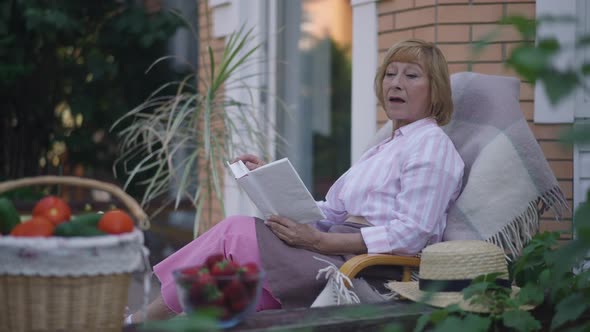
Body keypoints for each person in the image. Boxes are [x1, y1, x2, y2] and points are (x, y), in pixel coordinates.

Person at [126, 38, 465, 323]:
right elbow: (330, 212)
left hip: (367, 270)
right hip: (330, 250)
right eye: (390, 74)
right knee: (225, 288)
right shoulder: (384, 147)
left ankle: (138, 322)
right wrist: (270, 181)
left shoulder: (431, 146)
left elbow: (411, 234)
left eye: (411, 75)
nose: (396, 82)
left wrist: (321, 243)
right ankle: (140, 325)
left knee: (236, 231)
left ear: (435, 90)